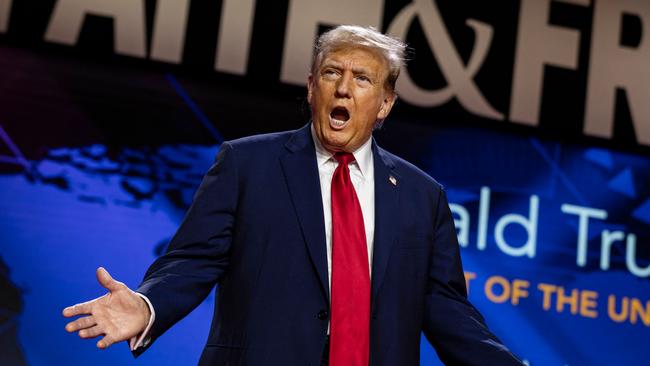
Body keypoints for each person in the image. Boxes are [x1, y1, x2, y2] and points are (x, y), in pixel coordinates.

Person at [63, 25, 524, 365]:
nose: (343, 87)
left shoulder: (423, 196)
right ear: (311, 87)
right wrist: (147, 306)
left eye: (362, 79)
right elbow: (192, 260)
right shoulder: (247, 164)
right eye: (331, 72)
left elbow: (445, 308)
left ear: (384, 105)